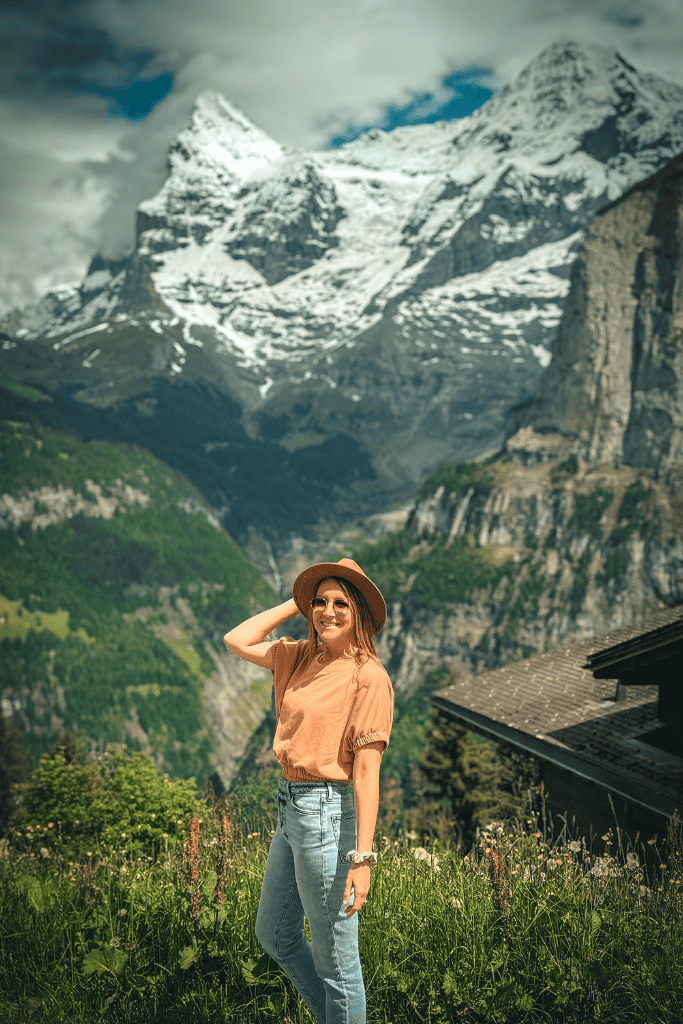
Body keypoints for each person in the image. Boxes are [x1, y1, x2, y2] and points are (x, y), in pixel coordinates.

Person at [224, 557, 394, 1024]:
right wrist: (298, 603)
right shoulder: (298, 656)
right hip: (291, 809)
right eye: (320, 601)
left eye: (341, 602)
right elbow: (236, 639)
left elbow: (366, 773)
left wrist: (362, 858)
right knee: (275, 935)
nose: (328, 611)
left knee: (338, 965)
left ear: (360, 613)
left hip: (329, 815)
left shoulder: (368, 677)